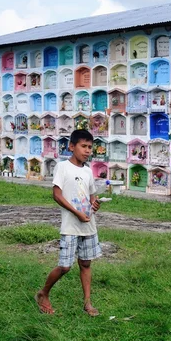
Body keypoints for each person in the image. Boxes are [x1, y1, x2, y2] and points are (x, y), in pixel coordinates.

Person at [35, 129, 102, 316]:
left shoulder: (88, 171)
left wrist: (95, 205)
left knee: (86, 264)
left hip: (88, 225)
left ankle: (87, 303)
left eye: (90, 147)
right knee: (65, 266)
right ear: (72, 146)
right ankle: (43, 293)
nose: (88, 150)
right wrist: (76, 213)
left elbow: (91, 197)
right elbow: (56, 195)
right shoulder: (63, 167)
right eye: (83, 146)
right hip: (70, 225)